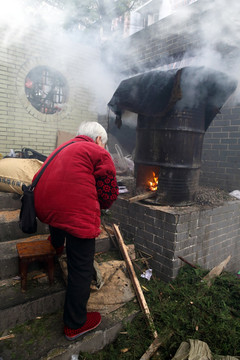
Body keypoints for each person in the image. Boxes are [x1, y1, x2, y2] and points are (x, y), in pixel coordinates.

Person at [33, 121, 119, 340]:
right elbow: (108, 193)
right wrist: (103, 204)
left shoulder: (62, 148)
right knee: (80, 268)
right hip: (76, 215)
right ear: (99, 140)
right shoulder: (98, 152)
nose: (104, 147)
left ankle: (57, 244)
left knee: (59, 213)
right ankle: (75, 324)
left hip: (46, 207)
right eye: (105, 143)